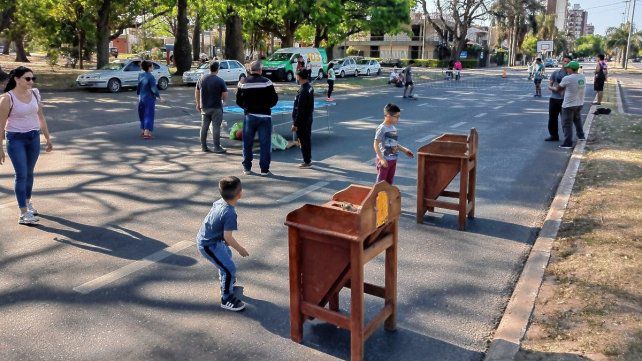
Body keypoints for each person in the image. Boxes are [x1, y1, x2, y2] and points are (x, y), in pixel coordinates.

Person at [0, 66, 53, 225]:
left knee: (29, 173)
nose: (31, 81)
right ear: (16, 79)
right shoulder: (7, 98)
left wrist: (47, 138)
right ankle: (23, 213)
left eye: (33, 78)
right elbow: (1, 125)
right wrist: (0, 147)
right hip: (15, 139)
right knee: (21, 174)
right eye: (27, 78)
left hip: (33, 137)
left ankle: (28, 202)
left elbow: (41, 117)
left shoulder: (35, 93)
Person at [196, 176, 249, 312]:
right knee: (228, 268)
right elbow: (228, 237)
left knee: (227, 257)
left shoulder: (220, 202)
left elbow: (214, 222)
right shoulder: (230, 213)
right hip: (208, 245)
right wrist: (240, 249)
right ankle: (226, 298)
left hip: (213, 240)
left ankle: (227, 282)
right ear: (240, 193)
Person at [235, 60, 278, 176]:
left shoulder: (243, 82)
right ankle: (264, 169)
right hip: (265, 116)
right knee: (265, 143)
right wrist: (267, 106)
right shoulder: (267, 82)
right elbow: (274, 99)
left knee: (247, 143)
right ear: (260, 70)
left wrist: (246, 108)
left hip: (249, 116)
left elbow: (238, 100)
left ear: (250, 70)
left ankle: (247, 168)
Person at [373, 103, 414, 185]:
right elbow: (375, 144)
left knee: (389, 183)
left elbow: (394, 144)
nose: (398, 119)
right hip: (385, 160)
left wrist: (405, 150)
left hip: (393, 160)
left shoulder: (393, 128)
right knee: (381, 183)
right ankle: (376, 197)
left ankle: (387, 197)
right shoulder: (382, 128)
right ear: (388, 116)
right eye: (397, 117)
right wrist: (381, 159)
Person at [549, 61, 586, 149]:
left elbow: (558, 89)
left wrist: (550, 87)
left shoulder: (567, 78)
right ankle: (581, 136)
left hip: (569, 104)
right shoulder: (582, 77)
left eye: (568, 67)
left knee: (567, 124)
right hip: (579, 103)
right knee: (577, 120)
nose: (566, 68)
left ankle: (568, 143)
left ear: (570, 69)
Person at [195, 61, 228, 153]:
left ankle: (203, 146)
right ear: (217, 69)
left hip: (204, 107)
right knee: (216, 127)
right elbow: (225, 94)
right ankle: (217, 147)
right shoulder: (220, 80)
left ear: (209, 68)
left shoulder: (202, 79)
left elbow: (197, 91)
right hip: (216, 107)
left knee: (204, 127)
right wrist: (224, 102)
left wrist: (198, 103)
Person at [292, 69, 314, 169]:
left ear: (299, 77)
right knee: (307, 139)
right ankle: (308, 159)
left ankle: (307, 161)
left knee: (303, 141)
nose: (296, 78)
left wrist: (295, 124)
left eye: (297, 76)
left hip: (302, 120)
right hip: (308, 118)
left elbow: (300, 109)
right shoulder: (309, 87)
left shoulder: (304, 91)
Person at [545, 56, 571, 142]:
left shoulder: (572, 75)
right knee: (552, 118)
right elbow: (549, 85)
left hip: (565, 100)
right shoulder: (555, 73)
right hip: (554, 99)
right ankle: (553, 135)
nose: (566, 63)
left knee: (565, 120)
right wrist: (556, 89)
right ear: (562, 62)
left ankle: (567, 138)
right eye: (564, 61)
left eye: (568, 62)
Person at [137, 60, 162, 139]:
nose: (153, 67)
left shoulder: (141, 75)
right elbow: (153, 88)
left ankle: (143, 130)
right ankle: (146, 133)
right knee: (149, 115)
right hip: (149, 98)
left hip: (141, 97)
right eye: (152, 66)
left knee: (142, 114)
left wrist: (138, 94)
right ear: (149, 67)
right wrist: (160, 97)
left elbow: (139, 86)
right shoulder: (151, 77)